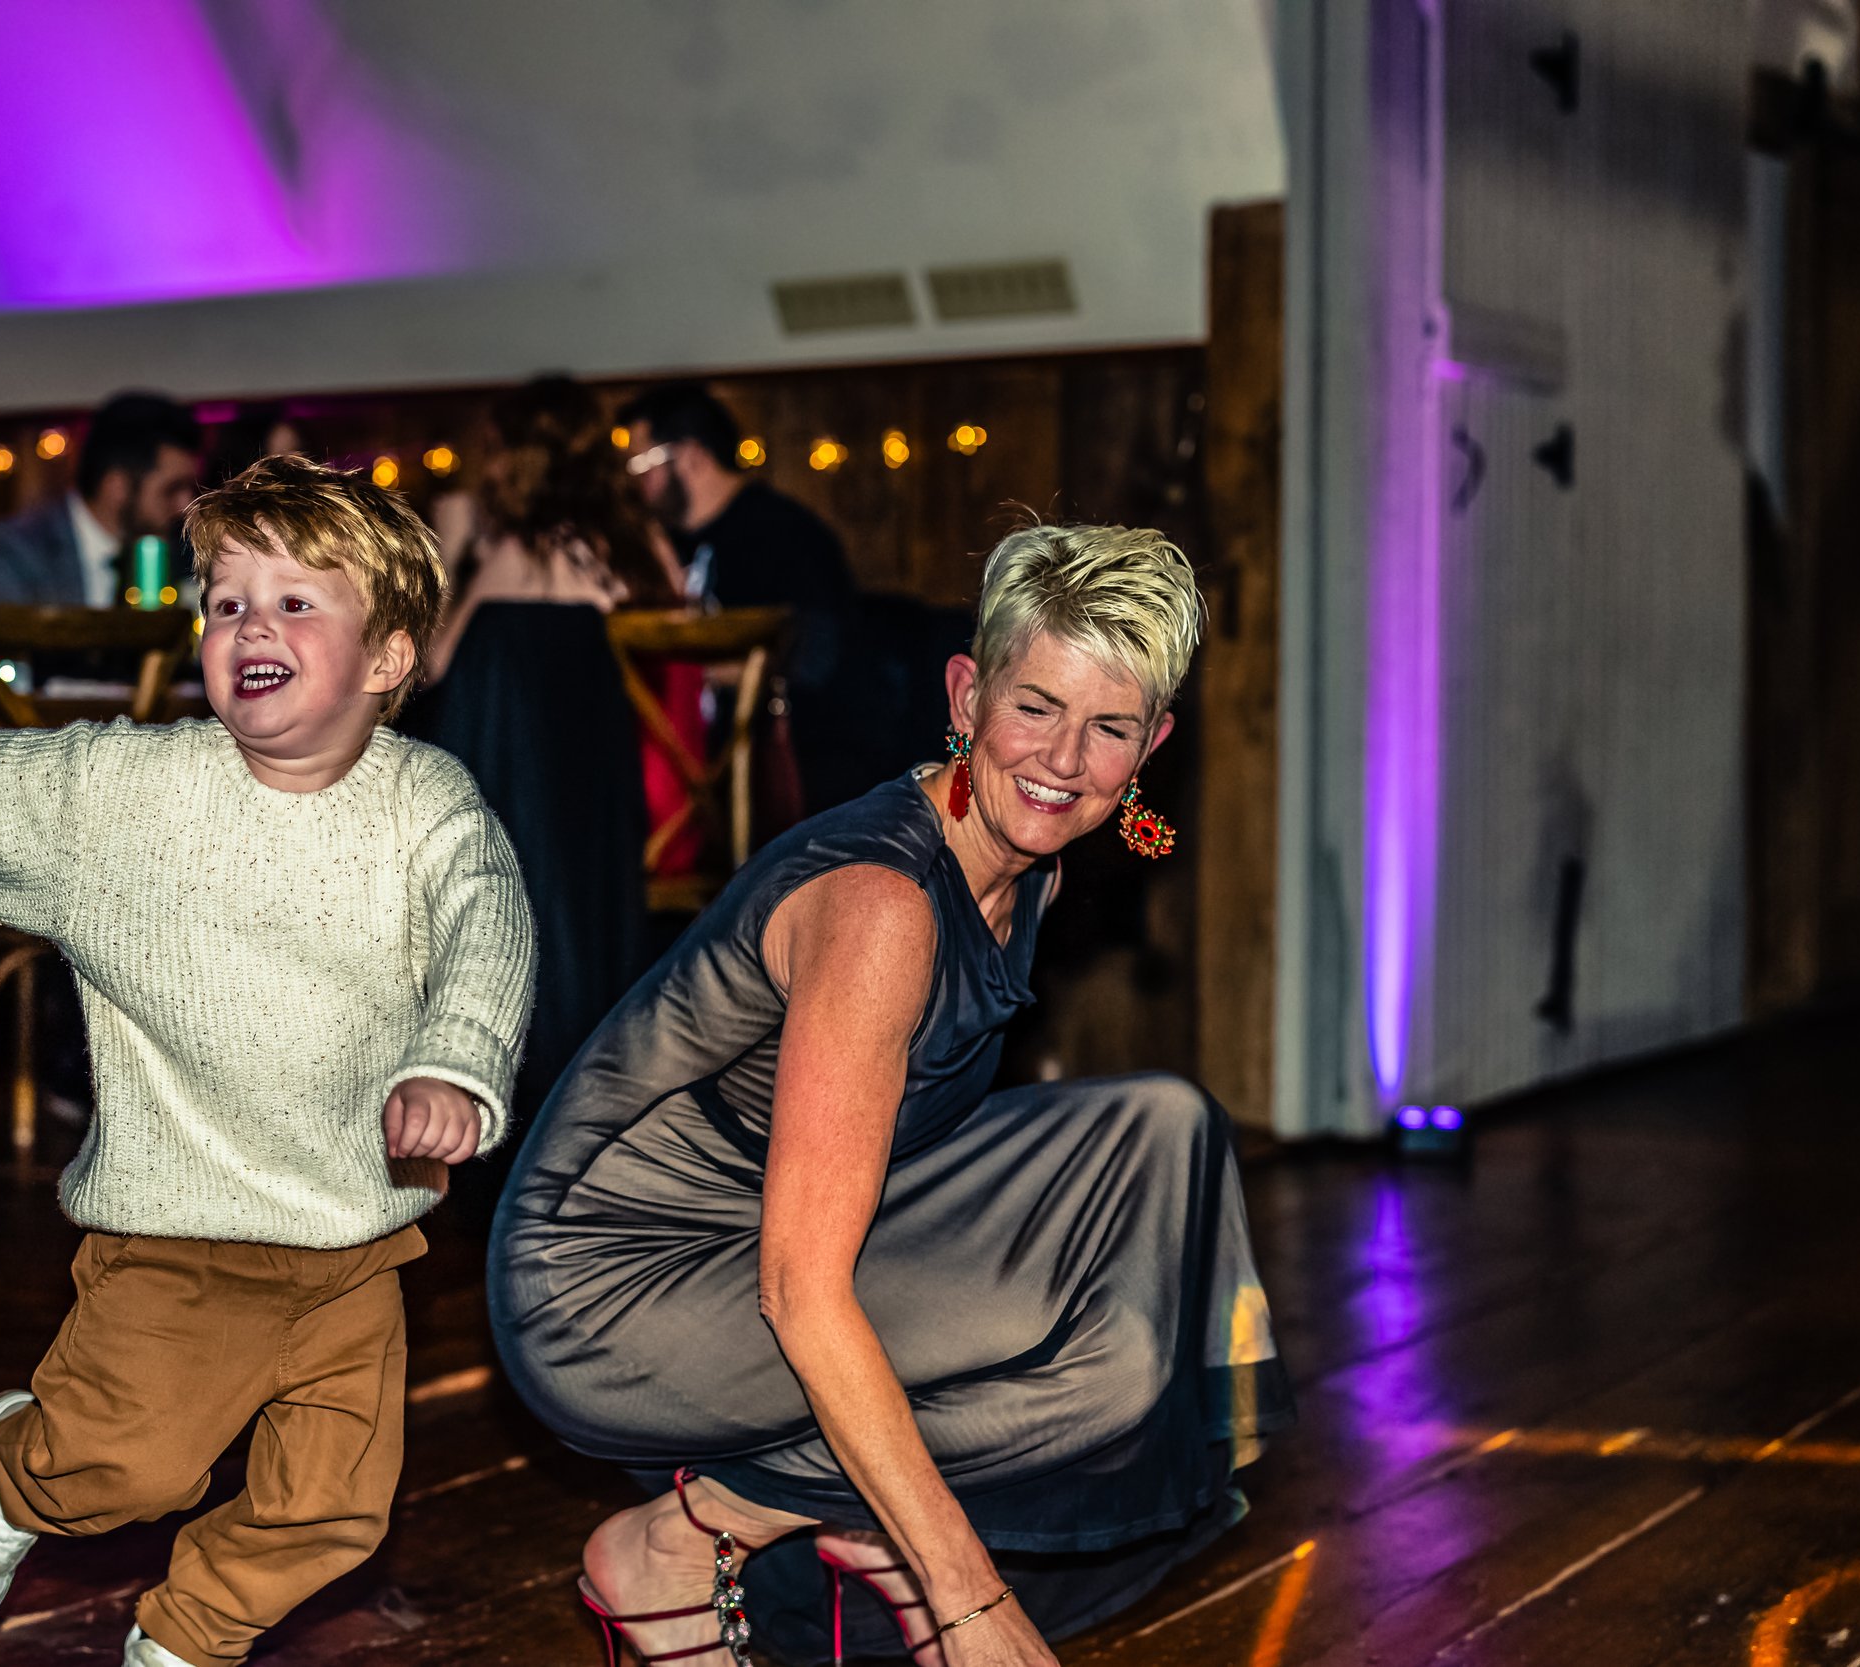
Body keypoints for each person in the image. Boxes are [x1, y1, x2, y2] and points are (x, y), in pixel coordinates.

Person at [0, 456, 536, 1667]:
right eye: (225, 601)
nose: (249, 623)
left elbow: (487, 928)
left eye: (296, 600)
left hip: (360, 1238)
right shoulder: (126, 793)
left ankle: (187, 1638)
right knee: (122, 1467)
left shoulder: (431, 804)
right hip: (179, 1232)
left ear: (391, 657)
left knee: (337, 1508)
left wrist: (455, 1064)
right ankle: (16, 1470)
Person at [489, 524, 1290, 1666]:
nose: (1063, 759)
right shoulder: (881, 907)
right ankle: (700, 1540)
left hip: (767, 1225)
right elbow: (801, 1287)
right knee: (1094, 1360)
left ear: (1151, 741)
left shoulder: (1034, 861)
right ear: (966, 693)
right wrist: (969, 1599)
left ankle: (720, 1518)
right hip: (611, 1282)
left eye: (1108, 726)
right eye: (1035, 705)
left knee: (1162, 1133)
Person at [409, 377, 674, 1175]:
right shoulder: (621, 550)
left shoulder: (508, 552)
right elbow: (692, 622)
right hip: (606, 803)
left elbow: (430, 665)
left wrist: (460, 555)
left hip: (501, 801)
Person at [619, 381, 856, 813]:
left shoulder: (785, 535)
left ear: (690, 456)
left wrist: (707, 671)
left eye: (641, 465)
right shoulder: (660, 544)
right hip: (688, 783)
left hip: (780, 786)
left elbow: (819, 660)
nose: (637, 483)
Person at [0, 392, 203, 607]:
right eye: (171, 489)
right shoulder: (8, 553)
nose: (184, 505)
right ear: (116, 486)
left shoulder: (183, 556)